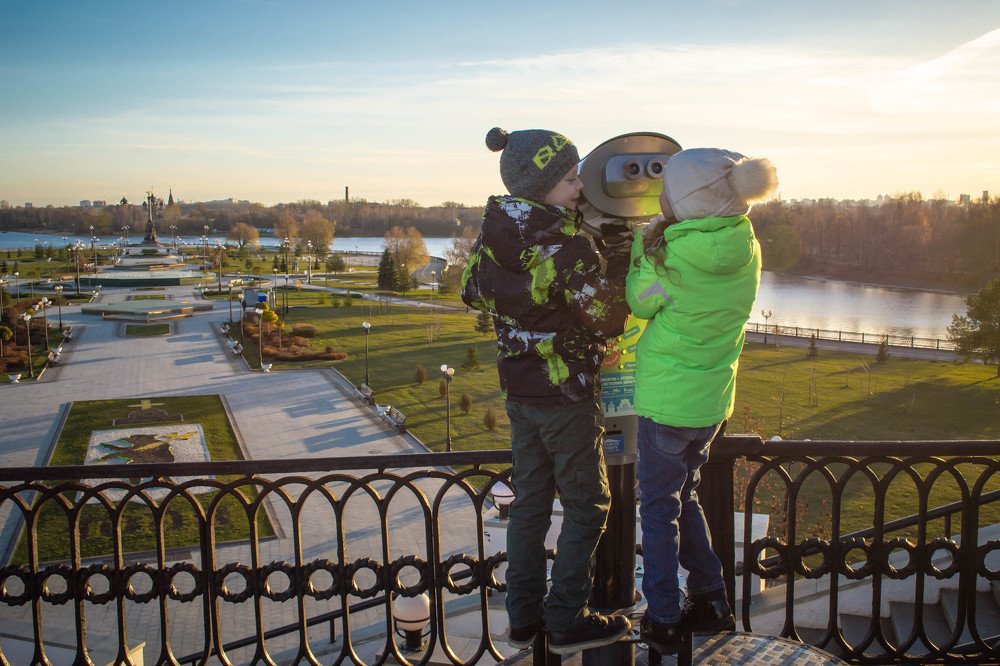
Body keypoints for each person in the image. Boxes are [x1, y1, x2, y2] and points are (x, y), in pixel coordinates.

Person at [462, 127, 633, 654]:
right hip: (566, 397)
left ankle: (522, 618)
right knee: (589, 507)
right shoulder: (565, 245)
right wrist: (621, 263)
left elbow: (471, 290)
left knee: (531, 505)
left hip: (519, 392)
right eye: (568, 177)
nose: (580, 186)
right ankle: (565, 618)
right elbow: (606, 319)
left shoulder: (497, 231)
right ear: (540, 186)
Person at [625, 148, 777, 652]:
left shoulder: (670, 255)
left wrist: (637, 251)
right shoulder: (747, 246)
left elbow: (639, 303)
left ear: (686, 202)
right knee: (683, 497)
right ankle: (712, 599)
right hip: (711, 404)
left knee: (658, 510)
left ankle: (664, 617)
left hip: (666, 404)